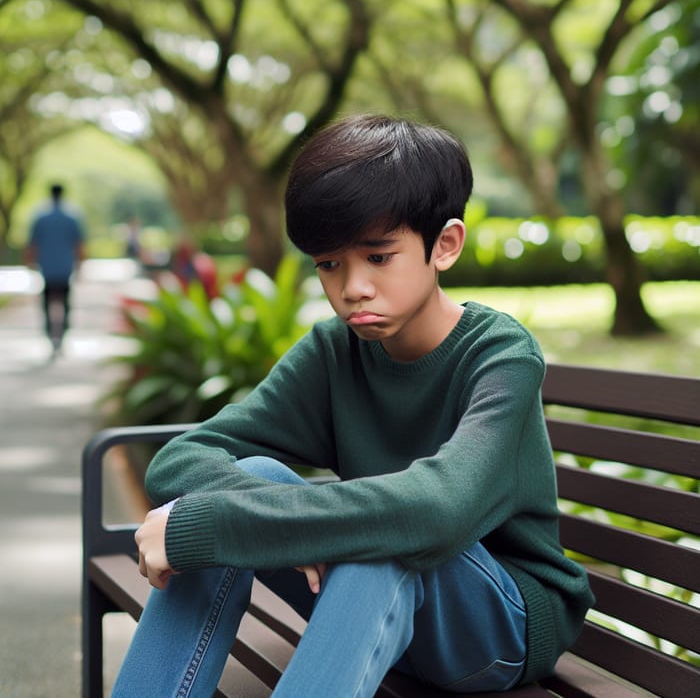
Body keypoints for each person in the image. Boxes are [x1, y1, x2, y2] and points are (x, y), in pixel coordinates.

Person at [114, 115, 594, 697]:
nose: (352, 287)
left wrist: (215, 527)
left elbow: (437, 511)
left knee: (385, 539)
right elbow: (182, 458)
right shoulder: (334, 352)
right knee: (257, 477)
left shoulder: (500, 355)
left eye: (379, 257)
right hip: (371, 604)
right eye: (329, 264)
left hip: (495, 628)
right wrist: (264, 516)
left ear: (444, 245)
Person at [25, 183, 85, 352]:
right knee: (65, 301)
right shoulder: (72, 217)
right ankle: (63, 332)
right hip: (65, 266)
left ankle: (49, 332)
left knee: (46, 301)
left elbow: (32, 244)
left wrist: (30, 263)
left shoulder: (41, 217)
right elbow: (79, 244)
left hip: (47, 266)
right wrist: (80, 265)